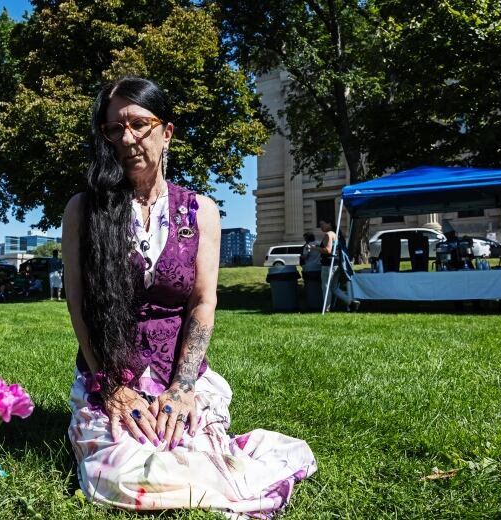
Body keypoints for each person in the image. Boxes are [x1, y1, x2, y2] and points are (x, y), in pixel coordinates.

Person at [61, 77, 315, 517]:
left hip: (179, 371)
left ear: (167, 131)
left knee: (195, 448)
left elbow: (202, 302)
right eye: (113, 129)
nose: (127, 139)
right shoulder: (84, 210)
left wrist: (182, 388)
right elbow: (79, 303)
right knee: (121, 472)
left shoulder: (201, 212)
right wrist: (113, 387)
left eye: (139, 124)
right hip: (111, 372)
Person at [318, 220, 359, 311]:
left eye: (322, 224)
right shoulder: (337, 234)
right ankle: (351, 302)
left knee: (326, 286)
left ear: (329, 223)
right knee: (334, 287)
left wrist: (314, 248)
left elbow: (328, 250)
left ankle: (326, 308)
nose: (320, 226)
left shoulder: (329, 234)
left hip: (328, 264)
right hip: (337, 263)